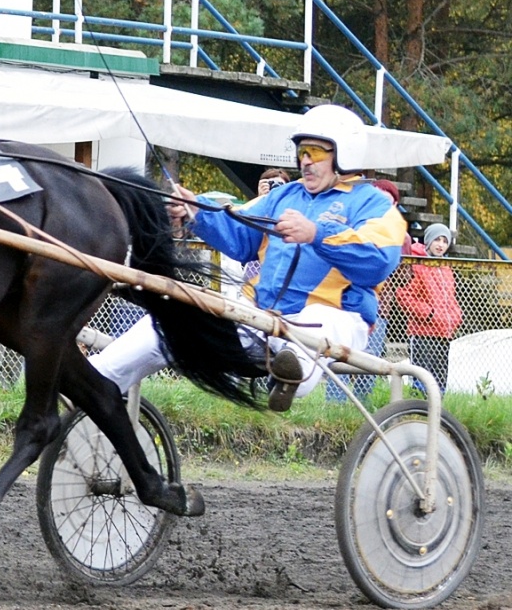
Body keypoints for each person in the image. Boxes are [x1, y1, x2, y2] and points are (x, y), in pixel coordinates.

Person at [90, 104, 407, 411]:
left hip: (335, 317)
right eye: (302, 153)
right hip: (261, 314)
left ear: (344, 154)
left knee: (309, 336)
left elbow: (380, 260)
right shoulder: (283, 195)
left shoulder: (374, 204)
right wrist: (196, 209)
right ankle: (92, 379)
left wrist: (316, 234)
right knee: (168, 323)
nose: (306, 161)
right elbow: (240, 233)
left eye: (317, 152)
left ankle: (289, 373)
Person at [325, 177, 411, 402]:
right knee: (341, 353)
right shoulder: (354, 222)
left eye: (387, 199)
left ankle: (364, 402)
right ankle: (336, 403)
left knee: (369, 358)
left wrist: (384, 265)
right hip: (345, 300)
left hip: (379, 306)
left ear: (393, 205)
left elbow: (404, 274)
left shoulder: (400, 234)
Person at [395, 223, 462, 395]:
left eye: (444, 241)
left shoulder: (446, 268)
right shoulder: (417, 266)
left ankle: (437, 411)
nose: (440, 245)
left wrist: (456, 316)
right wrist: (429, 314)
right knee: (421, 377)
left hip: (444, 333)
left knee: (439, 379)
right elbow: (404, 296)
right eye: (437, 240)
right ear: (429, 241)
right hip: (423, 332)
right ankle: (417, 410)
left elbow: (451, 299)